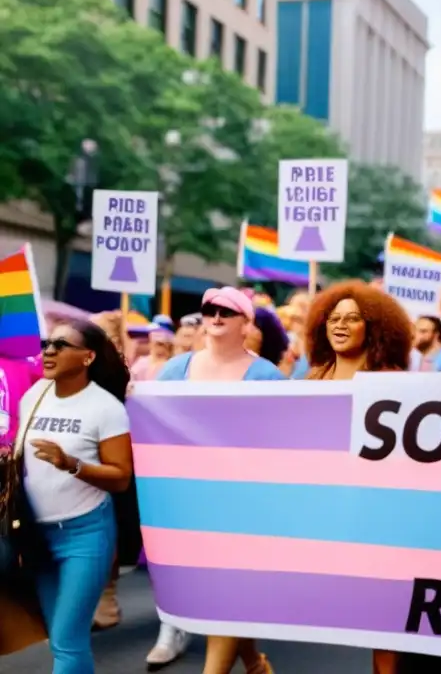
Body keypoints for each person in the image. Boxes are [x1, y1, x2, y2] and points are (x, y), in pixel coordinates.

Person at [304, 282, 441, 673]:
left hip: (383, 517)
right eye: (333, 318)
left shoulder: (397, 383)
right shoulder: (310, 380)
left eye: (352, 319)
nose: (340, 325)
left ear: (373, 328)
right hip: (329, 514)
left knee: (383, 625)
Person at [145, 287, 281, 674]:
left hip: (243, 503)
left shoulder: (267, 376)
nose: (216, 317)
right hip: (187, 501)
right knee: (206, 592)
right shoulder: (174, 370)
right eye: (209, 310)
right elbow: (154, 431)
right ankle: (254, 662)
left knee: (229, 592)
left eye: (227, 311)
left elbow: (281, 443)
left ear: (246, 322)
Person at [14, 319, 133, 673]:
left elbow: (121, 478)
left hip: (85, 535)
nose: (48, 351)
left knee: (67, 641)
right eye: (47, 343)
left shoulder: (106, 408)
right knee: (61, 638)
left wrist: (71, 464)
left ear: (88, 357)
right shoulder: (34, 396)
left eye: (61, 345)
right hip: (37, 534)